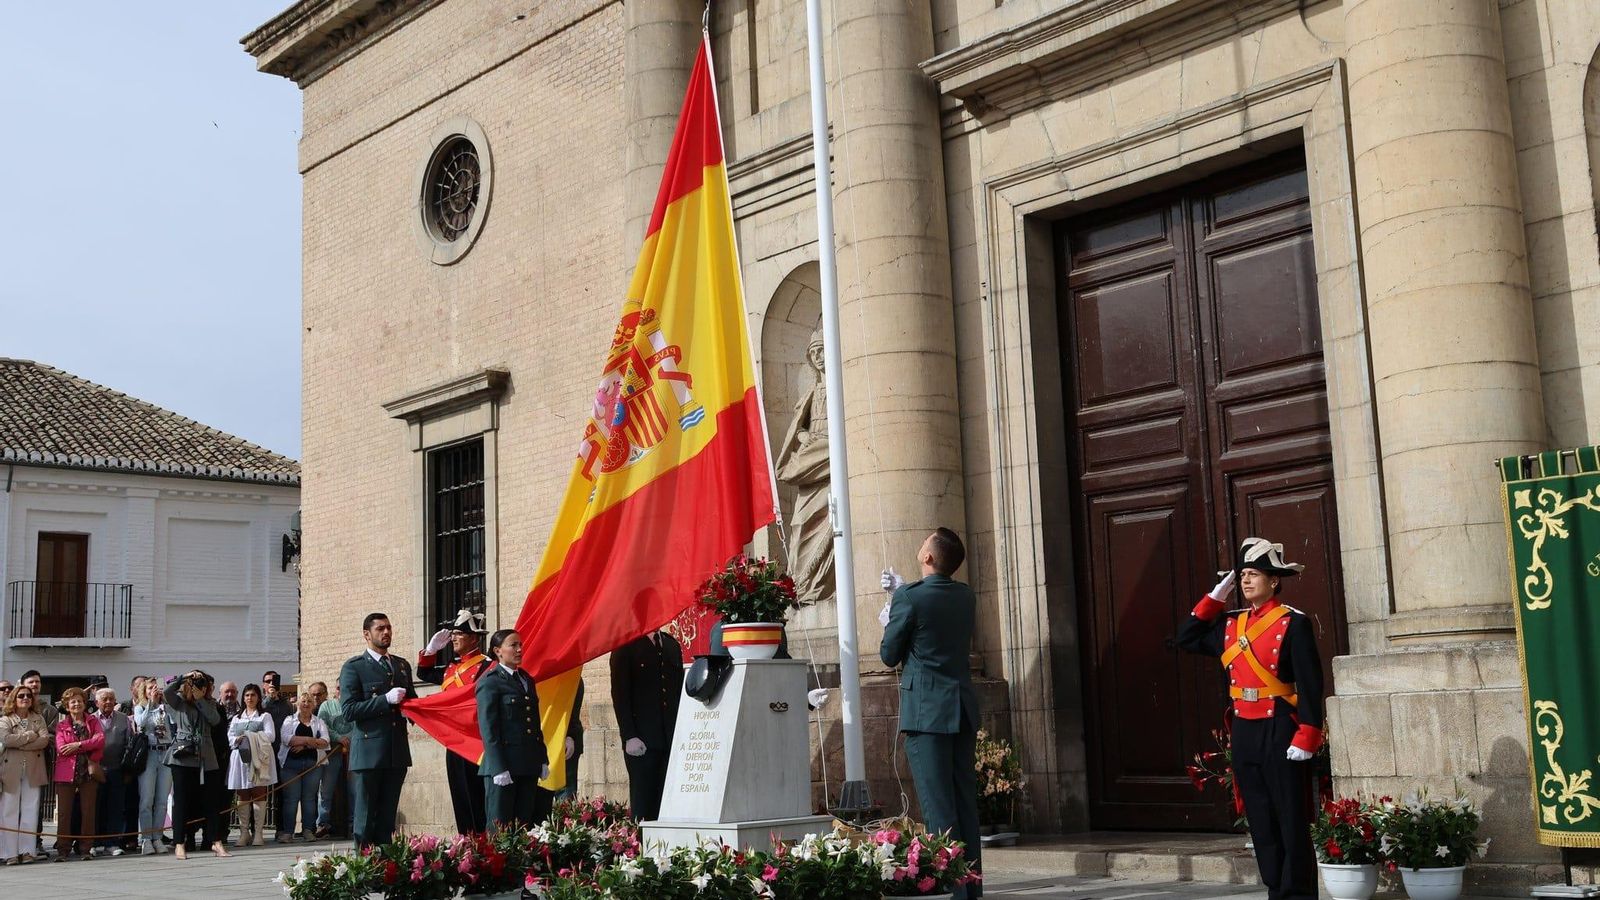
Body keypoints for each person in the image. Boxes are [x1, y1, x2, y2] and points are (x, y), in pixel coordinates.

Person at [1177, 537, 1325, 900]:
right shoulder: (1231, 623)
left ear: (1274, 580)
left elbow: (1310, 683)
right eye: (1242, 574)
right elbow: (1186, 638)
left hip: (1280, 727)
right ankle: (1275, 889)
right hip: (1244, 728)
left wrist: (1308, 733)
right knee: (1260, 818)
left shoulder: (1293, 623)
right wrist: (1215, 597)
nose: (1245, 580)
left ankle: (1298, 894)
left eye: (1254, 574)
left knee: (1290, 816)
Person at [879, 527, 983, 899]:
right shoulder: (965, 595)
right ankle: (971, 891)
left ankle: (956, 892)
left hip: (927, 713)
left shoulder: (909, 597)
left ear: (928, 556)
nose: (921, 543)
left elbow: (889, 654)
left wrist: (892, 614)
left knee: (939, 809)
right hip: (960, 708)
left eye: (926, 541)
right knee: (964, 805)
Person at [338, 612, 416, 848]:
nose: (386, 632)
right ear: (367, 634)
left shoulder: (401, 665)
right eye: (380, 628)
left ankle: (385, 864)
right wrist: (385, 700)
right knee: (365, 817)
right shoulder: (354, 667)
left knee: (387, 818)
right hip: (369, 754)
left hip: (396, 751)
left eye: (389, 628)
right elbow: (349, 710)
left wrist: (414, 711)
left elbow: (412, 702)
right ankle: (364, 865)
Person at [417, 608, 492, 834]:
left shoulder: (486, 665)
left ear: (474, 638)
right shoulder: (451, 667)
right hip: (454, 741)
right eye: (454, 634)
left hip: (476, 741)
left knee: (477, 795)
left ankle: (483, 841)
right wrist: (430, 651)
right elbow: (423, 674)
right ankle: (466, 840)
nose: (454, 638)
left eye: (459, 634)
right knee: (459, 794)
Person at [476, 629, 549, 828]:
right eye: (513, 645)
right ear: (498, 651)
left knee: (523, 827)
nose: (519, 650)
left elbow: (534, 724)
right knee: (500, 828)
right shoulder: (490, 682)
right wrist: (498, 767)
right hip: (503, 766)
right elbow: (489, 730)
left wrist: (542, 758)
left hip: (527, 764)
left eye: (520, 645)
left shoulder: (526, 680)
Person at [609, 629, 682, 822]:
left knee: (668, 803)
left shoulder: (671, 645)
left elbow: (677, 691)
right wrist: (629, 735)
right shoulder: (626, 645)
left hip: (670, 738)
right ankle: (642, 840)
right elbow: (620, 695)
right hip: (642, 740)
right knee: (643, 803)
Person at [162, 672, 229, 859]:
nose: (201, 687)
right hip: (183, 755)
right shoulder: (179, 703)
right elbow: (166, 692)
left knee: (211, 801)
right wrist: (184, 677)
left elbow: (214, 720)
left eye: (204, 685)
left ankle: (216, 841)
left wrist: (200, 700)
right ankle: (179, 843)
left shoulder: (210, 704)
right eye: (197, 684)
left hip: (206, 756)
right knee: (182, 801)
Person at [52, 686, 105, 862]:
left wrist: (78, 745)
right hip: (66, 772)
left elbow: (100, 740)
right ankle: (63, 850)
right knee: (64, 813)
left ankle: (85, 849)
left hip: (88, 772)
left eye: (80, 701)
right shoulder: (61, 725)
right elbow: (61, 748)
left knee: (88, 811)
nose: (76, 704)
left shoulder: (93, 721)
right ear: (67, 706)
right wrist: (87, 745)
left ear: (85, 703)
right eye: (72, 702)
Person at [1, 683, 51, 865]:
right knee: (9, 810)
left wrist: (20, 744)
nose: (25, 698)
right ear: (14, 698)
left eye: (28, 696)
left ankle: (27, 851)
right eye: (21, 695)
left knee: (31, 809)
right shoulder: (5, 719)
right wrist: (30, 736)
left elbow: (44, 741)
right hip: (10, 769)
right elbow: (6, 739)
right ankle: (10, 853)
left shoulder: (38, 718)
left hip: (33, 768)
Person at [227, 684, 278, 846]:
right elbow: (230, 737)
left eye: (253, 695)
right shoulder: (237, 718)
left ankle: (258, 833)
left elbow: (271, 736)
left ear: (258, 698)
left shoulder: (264, 716)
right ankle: (244, 833)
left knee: (258, 792)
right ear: (243, 698)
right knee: (242, 793)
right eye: (247, 695)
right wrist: (238, 739)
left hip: (259, 758)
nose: (250, 698)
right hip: (240, 758)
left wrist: (250, 736)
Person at [276, 691, 329, 842]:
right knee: (291, 799)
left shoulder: (319, 722)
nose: (306, 704)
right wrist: (310, 740)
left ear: (313, 705)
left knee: (309, 799)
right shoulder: (289, 720)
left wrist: (304, 745)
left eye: (309, 701)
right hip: (290, 766)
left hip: (313, 765)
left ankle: (308, 830)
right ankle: (288, 832)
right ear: (298, 704)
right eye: (303, 701)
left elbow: (325, 741)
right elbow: (287, 739)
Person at [131, 677, 173, 855]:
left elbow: (174, 722)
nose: (154, 691)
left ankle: (157, 837)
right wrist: (151, 704)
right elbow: (141, 723)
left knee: (162, 800)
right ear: (144, 692)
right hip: (149, 754)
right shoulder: (140, 707)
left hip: (165, 753)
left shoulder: (165, 707)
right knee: (147, 799)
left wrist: (166, 700)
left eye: (156, 688)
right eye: (150, 688)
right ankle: (146, 838)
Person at [90, 688, 133, 857]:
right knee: (95, 807)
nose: (108, 702)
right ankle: (93, 842)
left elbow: (129, 743)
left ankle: (112, 843)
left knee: (116, 807)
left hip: (116, 768)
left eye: (111, 699)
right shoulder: (90, 719)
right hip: (96, 769)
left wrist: (127, 769)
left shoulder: (123, 718)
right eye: (105, 699)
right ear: (97, 702)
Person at [19, 671, 54, 857]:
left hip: (40, 761)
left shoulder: (49, 710)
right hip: (15, 762)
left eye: (37, 682)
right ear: (22, 683)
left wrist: (24, 741)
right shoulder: (14, 707)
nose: (34, 685)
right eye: (31, 682)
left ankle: (36, 841)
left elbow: (50, 737)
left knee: (36, 803)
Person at [314, 681, 353, 839]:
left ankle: (353, 824)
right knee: (326, 789)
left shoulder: (355, 704)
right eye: (338, 688)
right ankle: (323, 823)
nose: (341, 690)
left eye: (345, 687)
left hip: (352, 751)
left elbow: (358, 725)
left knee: (354, 790)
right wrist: (339, 738)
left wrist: (348, 738)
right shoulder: (327, 706)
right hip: (332, 752)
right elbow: (322, 725)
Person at [552, 678, 585, 802]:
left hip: (565, 742)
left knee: (565, 795)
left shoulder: (572, 677)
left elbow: (570, 709)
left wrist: (568, 735)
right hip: (545, 742)